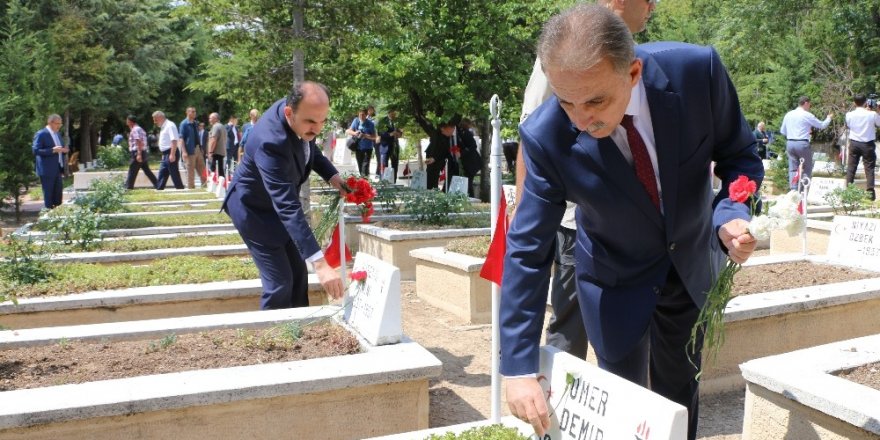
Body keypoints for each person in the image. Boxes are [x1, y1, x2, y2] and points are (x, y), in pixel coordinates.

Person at [500, 6, 764, 440]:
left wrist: (730, 216)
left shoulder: (697, 73)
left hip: (689, 266)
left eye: (596, 101)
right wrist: (518, 367)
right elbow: (528, 250)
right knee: (621, 407)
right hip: (613, 280)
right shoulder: (548, 136)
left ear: (633, 72)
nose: (580, 120)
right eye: (566, 101)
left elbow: (741, 155)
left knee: (679, 401)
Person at [516, 0, 656, 362]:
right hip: (577, 221)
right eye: (651, 0)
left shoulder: (627, 52)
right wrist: (523, 209)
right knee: (571, 322)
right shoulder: (567, 50)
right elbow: (531, 134)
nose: (653, 9)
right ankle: (566, 405)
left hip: (633, 226)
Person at [222, 81, 346, 309]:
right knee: (279, 283)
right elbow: (287, 206)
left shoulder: (299, 112)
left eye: (322, 121)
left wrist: (333, 176)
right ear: (289, 113)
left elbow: (308, 145)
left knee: (298, 275)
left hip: (275, 206)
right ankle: (271, 339)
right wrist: (320, 265)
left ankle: (296, 332)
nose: (317, 129)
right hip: (254, 210)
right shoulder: (270, 142)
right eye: (311, 122)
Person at [779, 96, 832, 190]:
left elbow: (783, 131)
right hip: (802, 143)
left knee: (793, 168)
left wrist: (794, 132)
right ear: (806, 103)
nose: (810, 107)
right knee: (807, 167)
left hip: (790, 142)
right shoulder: (807, 115)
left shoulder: (789, 114)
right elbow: (822, 125)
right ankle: (804, 188)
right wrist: (828, 118)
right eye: (809, 104)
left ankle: (794, 189)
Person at [844, 93, 879, 201]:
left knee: (851, 167)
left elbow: (848, 126)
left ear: (854, 103)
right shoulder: (872, 114)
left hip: (854, 142)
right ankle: (870, 194)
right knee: (869, 168)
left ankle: (848, 191)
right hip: (867, 143)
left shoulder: (849, 115)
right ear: (865, 102)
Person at [32, 114, 68, 209]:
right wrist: (52, 150)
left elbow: (59, 149)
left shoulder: (58, 134)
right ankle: (49, 216)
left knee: (58, 193)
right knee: (49, 194)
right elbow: (35, 150)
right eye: (57, 123)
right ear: (50, 122)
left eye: (60, 124)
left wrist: (64, 150)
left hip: (57, 168)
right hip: (46, 169)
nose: (59, 126)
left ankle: (58, 214)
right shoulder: (41, 134)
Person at [152, 111, 185, 190]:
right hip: (166, 154)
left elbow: (174, 140)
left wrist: (172, 154)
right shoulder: (164, 126)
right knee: (162, 173)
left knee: (174, 174)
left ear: (160, 117)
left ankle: (180, 188)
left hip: (170, 152)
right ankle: (159, 189)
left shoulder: (170, 125)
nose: (154, 122)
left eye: (155, 119)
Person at [124, 115, 158, 190]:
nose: (126, 122)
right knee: (147, 170)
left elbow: (138, 141)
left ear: (130, 121)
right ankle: (158, 184)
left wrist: (139, 154)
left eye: (127, 120)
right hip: (142, 151)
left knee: (132, 169)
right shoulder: (139, 129)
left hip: (137, 152)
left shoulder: (135, 129)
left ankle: (128, 187)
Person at [424, 122, 457, 191]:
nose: (453, 130)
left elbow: (448, 150)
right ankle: (430, 191)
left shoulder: (452, 136)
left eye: (453, 129)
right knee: (431, 176)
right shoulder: (438, 135)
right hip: (433, 157)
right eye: (441, 131)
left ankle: (437, 190)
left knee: (435, 176)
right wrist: (434, 158)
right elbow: (440, 149)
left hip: (443, 160)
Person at [179, 107, 207, 189]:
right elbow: (181, 138)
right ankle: (191, 187)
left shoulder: (195, 123)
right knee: (190, 169)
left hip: (197, 148)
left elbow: (196, 136)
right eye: (193, 112)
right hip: (189, 150)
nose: (195, 113)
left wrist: (201, 147)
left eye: (195, 111)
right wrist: (184, 152)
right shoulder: (184, 124)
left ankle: (205, 185)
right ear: (187, 113)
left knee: (202, 168)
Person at [347, 108, 377, 176]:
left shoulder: (370, 124)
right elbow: (348, 131)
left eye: (363, 115)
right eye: (360, 115)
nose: (361, 116)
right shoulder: (356, 121)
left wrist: (365, 135)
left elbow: (374, 136)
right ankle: (363, 182)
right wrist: (355, 133)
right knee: (360, 166)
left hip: (367, 148)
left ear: (366, 115)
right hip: (358, 148)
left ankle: (366, 182)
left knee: (365, 167)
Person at [456, 120, 481, 197]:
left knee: (468, 181)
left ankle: (471, 197)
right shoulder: (462, 133)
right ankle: (470, 196)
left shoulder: (466, 133)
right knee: (468, 180)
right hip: (470, 161)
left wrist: (462, 153)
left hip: (471, 162)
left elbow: (473, 146)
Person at [378, 110, 403, 182]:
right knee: (384, 165)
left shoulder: (397, 121)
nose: (394, 114)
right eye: (392, 113)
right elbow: (380, 133)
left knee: (395, 165)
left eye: (395, 113)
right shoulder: (383, 121)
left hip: (394, 146)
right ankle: (383, 182)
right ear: (389, 112)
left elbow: (400, 132)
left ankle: (393, 181)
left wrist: (400, 134)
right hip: (385, 146)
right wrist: (390, 134)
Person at [207, 112, 228, 178]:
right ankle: (222, 185)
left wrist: (210, 152)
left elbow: (214, 140)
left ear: (215, 119)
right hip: (221, 152)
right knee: (220, 170)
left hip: (216, 152)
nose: (209, 120)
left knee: (214, 170)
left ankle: (215, 185)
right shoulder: (222, 126)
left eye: (210, 118)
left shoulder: (216, 126)